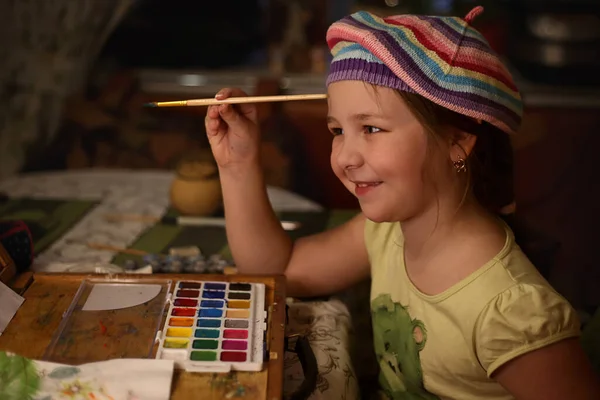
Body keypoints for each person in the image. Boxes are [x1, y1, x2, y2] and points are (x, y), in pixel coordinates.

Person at [204, 6, 600, 400]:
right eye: (338, 130)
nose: (344, 157)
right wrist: (238, 164)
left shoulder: (509, 312)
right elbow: (277, 269)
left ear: (457, 140)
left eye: (371, 128)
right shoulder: (385, 231)